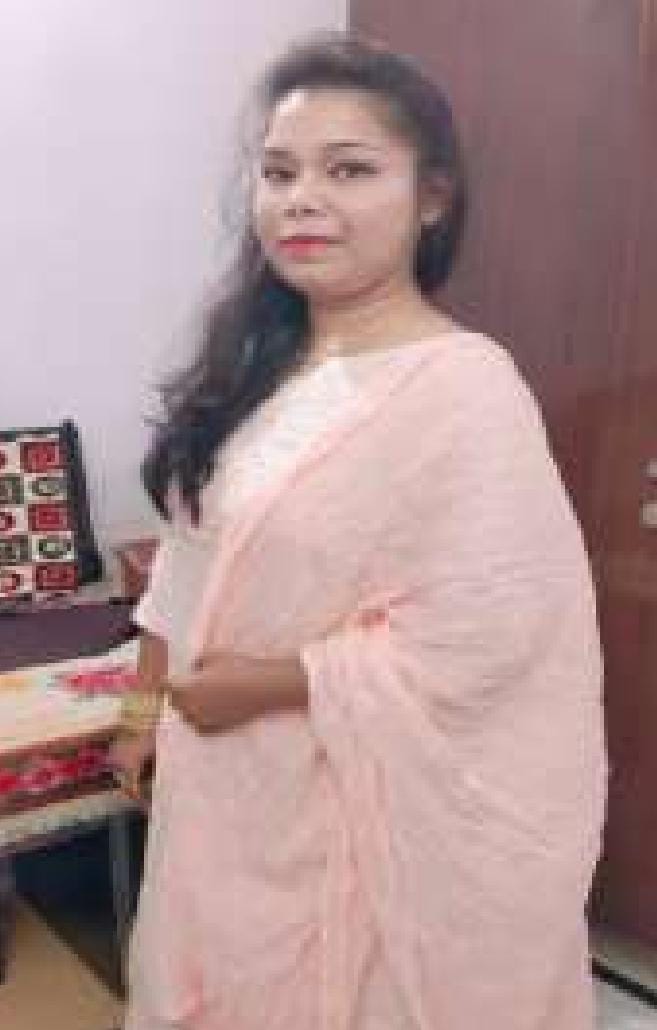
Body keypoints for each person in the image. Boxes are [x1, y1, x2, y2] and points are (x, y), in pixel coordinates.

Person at [111, 29, 608, 1030]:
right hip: (224, 790)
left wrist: (265, 683)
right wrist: (142, 707)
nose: (301, 199)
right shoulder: (250, 367)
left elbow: (490, 636)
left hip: (357, 808)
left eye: (349, 170)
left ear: (432, 197)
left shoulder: (466, 392)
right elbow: (190, 558)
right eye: (279, 172)